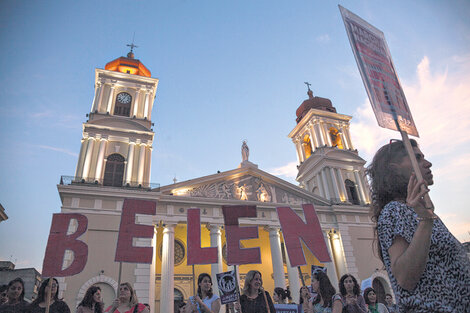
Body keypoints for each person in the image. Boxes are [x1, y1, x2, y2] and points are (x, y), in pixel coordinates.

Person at [367, 139, 470, 312]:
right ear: (394, 168)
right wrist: (426, 221)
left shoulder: (420, 211)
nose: (427, 163)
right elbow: (405, 277)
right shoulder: (395, 210)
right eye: (417, 158)